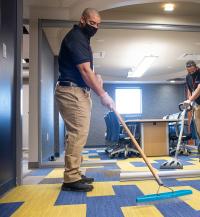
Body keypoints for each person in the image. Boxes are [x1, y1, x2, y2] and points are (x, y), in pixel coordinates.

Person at [55, 8, 115, 192]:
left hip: (77, 90)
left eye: (98, 24)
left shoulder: (83, 39)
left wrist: (95, 77)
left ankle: (74, 172)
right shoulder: (77, 37)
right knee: (78, 133)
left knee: (77, 134)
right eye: (92, 23)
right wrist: (103, 94)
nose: (95, 27)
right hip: (71, 91)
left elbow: (87, 70)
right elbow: (83, 70)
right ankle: (71, 178)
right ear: (82, 20)